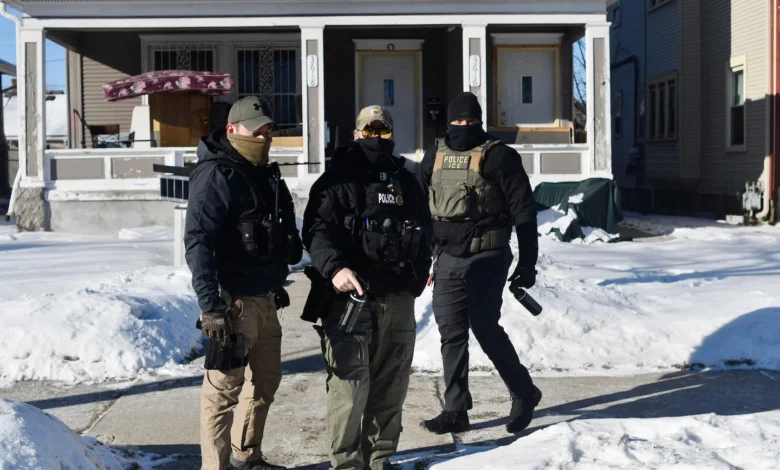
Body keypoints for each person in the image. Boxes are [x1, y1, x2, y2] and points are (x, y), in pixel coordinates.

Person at [301, 105, 433, 470]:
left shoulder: (406, 180)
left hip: (398, 298)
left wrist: (417, 279)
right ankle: (346, 464)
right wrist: (335, 268)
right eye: (369, 131)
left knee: (392, 384)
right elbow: (315, 231)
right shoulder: (337, 179)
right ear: (356, 134)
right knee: (350, 388)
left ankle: (380, 459)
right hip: (351, 299)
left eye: (382, 131)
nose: (376, 137)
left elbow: (426, 232)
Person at [184, 96, 303, 470]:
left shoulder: (265, 172)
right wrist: (210, 305)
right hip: (232, 305)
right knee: (222, 393)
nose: (264, 137)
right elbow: (198, 241)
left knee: (264, 384)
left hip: (266, 299)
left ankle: (247, 457)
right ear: (232, 129)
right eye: (256, 130)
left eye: (268, 130)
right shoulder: (216, 175)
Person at [419, 92, 541, 435]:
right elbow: (419, 204)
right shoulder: (434, 156)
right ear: (449, 122)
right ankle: (455, 410)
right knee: (450, 331)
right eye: (458, 121)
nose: (464, 126)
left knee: (485, 327)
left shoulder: (499, 156)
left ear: (480, 121)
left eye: (471, 121)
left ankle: (524, 393)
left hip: (487, 256)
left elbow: (524, 211)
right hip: (447, 257)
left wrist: (528, 262)